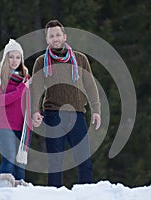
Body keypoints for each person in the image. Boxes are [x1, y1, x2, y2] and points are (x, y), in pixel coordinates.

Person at [31, 20, 101, 187]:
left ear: (64, 36)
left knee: (85, 161)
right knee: (55, 163)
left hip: (77, 114)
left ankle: (87, 195)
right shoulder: (41, 62)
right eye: (51, 36)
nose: (55, 38)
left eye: (58, 34)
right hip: (53, 114)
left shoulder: (80, 59)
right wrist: (35, 111)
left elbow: (90, 85)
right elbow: (36, 89)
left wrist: (96, 110)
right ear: (47, 39)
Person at [0, 39, 31, 187]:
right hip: (4, 125)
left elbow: (30, 101)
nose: (14, 61)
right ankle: (4, 188)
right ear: (5, 57)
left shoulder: (26, 78)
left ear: (22, 59)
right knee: (9, 157)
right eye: (11, 57)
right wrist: (21, 89)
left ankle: (19, 190)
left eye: (18, 57)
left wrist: (36, 114)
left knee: (20, 163)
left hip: (22, 126)